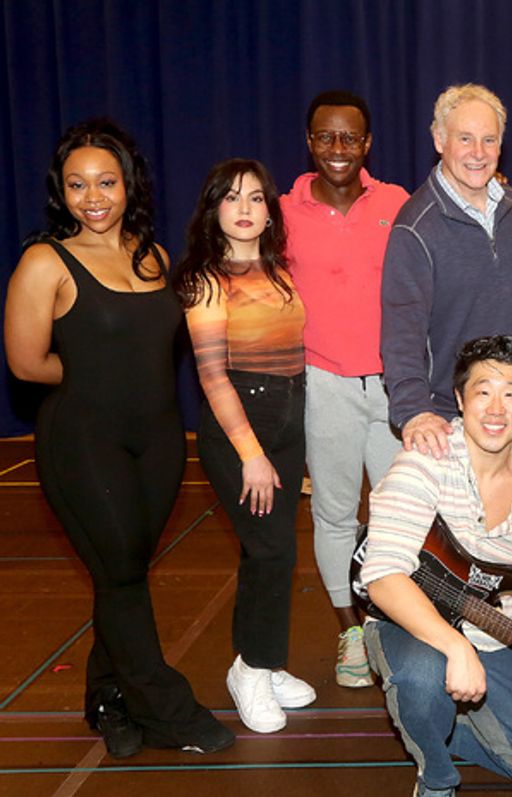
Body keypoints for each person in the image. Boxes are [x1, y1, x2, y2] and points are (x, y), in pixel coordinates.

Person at [4, 118, 233, 757]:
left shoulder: (153, 255)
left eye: (106, 181)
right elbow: (27, 363)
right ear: (62, 192)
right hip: (82, 440)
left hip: (159, 441)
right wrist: (91, 381)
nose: (93, 196)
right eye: (77, 185)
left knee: (120, 571)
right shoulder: (44, 261)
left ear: (129, 185)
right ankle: (168, 707)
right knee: (124, 576)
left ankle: (106, 696)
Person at [360, 335, 512, 797]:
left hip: (486, 628)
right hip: (408, 620)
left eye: (510, 393)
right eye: (482, 392)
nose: (495, 409)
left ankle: (432, 724)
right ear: (459, 399)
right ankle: (435, 774)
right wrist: (457, 650)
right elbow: (382, 576)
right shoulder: (426, 460)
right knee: (423, 678)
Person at [175, 159, 316, 734]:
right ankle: (251, 670)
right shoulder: (206, 280)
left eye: (256, 198)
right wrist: (251, 454)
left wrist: (289, 444)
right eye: (231, 199)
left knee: (275, 550)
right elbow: (212, 378)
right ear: (214, 209)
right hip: (241, 432)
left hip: (285, 422)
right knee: (270, 551)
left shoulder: (278, 270)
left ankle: (264, 658)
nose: (244, 209)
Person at [280, 90, 410, 688]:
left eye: (349, 138)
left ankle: (392, 623)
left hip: (391, 387)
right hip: (323, 384)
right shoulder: (282, 212)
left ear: (367, 144)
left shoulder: (398, 203)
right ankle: (350, 634)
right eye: (326, 137)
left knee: (396, 515)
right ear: (309, 142)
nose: (338, 149)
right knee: (334, 515)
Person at [382, 83, 512, 461]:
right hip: (450, 422)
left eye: (489, 140)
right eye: (465, 139)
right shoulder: (415, 228)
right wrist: (414, 411)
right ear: (438, 139)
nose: (478, 153)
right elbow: (401, 332)